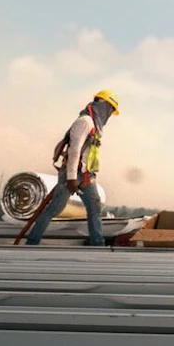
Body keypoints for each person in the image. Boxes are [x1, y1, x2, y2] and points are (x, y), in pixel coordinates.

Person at [25, 90, 120, 247]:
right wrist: (71, 179)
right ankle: (32, 242)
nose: (109, 114)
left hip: (86, 175)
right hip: (73, 174)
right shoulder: (85, 122)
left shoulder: (95, 125)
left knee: (94, 207)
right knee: (54, 209)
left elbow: (88, 154)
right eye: (110, 109)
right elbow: (74, 150)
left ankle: (98, 244)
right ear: (102, 105)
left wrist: (90, 174)